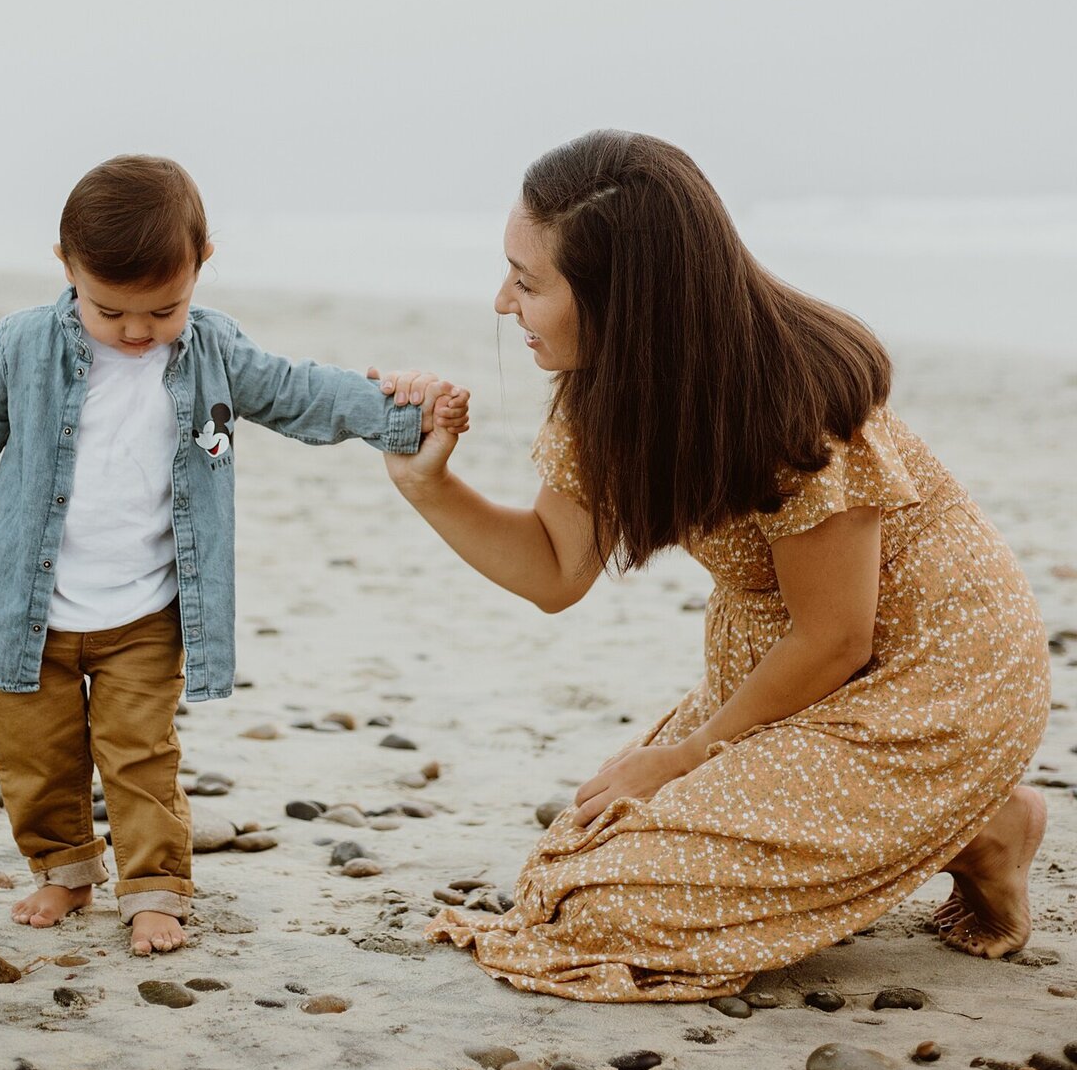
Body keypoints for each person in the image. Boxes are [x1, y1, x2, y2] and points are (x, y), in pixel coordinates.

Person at [382, 130, 1051, 1002]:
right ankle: (971, 826)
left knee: (602, 912)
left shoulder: (790, 403)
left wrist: (687, 756)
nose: (502, 302)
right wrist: (428, 486)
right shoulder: (609, 390)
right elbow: (554, 570)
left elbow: (836, 636)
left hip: (930, 684)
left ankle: (982, 815)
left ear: (627, 300)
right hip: (795, 674)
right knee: (562, 872)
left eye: (529, 280)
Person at [0, 154, 467, 958]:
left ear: (202, 267)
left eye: (163, 308)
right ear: (66, 268)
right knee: (32, 757)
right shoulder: (22, 343)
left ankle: (155, 888)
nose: (135, 330)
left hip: (146, 613)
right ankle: (64, 866)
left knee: (139, 757)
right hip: (24, 608)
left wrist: (403, 415)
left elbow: (300, 393)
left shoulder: (214, 350)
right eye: (109, 308)